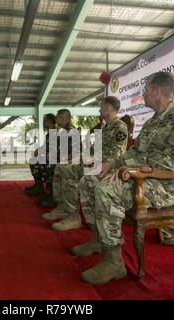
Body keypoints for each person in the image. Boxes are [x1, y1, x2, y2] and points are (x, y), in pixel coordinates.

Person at [76, 71, 174, 285]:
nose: (143, 95)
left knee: (106, 190)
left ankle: (114, 262)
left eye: (146, 90)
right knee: (89, 180)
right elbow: (134, 153)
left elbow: (172, 162)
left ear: (157, 91)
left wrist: (128, 169)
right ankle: (99, 240)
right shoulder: (154, 120)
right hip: (142, 177)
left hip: (165, 186)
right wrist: (111, 164)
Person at [44, 98, 129, 232]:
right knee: (61, 166)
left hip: (106, 168)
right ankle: (62, 207)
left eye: (101, 107)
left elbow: (116, 154)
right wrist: (80, 156)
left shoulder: (120, 127)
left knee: (69, 171)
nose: (99, 110)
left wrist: (87, 158)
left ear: (108, 108)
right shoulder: (105, 127)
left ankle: (73, 217)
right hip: (94, 163)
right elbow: (94, 149)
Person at [25, 113, 57, 198]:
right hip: (48, 157)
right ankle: (38, 186)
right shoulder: (50, 133)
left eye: (44, 121)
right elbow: (46, 146)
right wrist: (38, 150)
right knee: (33, 160)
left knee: (46, 165)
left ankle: (51, 190)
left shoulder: (55, 132)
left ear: (50, 122)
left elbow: (54, 149)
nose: (43, 123)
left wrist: (41, 152)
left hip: (55, 159)